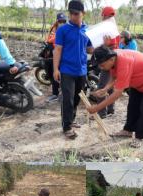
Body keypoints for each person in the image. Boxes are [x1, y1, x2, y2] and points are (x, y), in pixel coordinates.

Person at [87, 45, 143, 148]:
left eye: (101, 65)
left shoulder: (123, 62)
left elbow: (117, 94)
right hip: (138, 80)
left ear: (111, 59)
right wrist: (105, 89)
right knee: (133, 106)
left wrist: (97, 108)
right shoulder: (111, 56)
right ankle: (128, 130)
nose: (100, 68)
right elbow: (113, 75)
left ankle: (140, 136)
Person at [53, 0, 93, 139]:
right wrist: (55, 69)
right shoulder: (62, 30)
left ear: (83, 13)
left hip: (81, 70)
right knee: (68, 99)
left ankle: (72, 119)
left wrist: (101, 46)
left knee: (77, 98)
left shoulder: (86, 30)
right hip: (67, 70)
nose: (74, 17)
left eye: (77, 14)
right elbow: (57, 50)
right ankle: (66, 126)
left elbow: (89, 49)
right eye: (71, 14)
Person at [95, 6, 120, 119]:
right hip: (115, 61)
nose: (102, 17)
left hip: (108, 61)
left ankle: (101, 113)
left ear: (105, 15)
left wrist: (101, 45)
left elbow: (109, 47)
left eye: (103, 15)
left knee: (102, 86)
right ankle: (110, 109)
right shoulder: (114, 27)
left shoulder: (108, 27)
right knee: (110, 86)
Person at [46, 13, 67, 102]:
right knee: (54, 75)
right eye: (60, 21)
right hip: (53, 55)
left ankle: (63, 93)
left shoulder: (67, 30)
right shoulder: (54, 29)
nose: (62, 23)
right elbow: (49, 40)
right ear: (57, 21)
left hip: (63, 56)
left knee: (64, 75)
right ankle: (55, 94)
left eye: (64, 21)